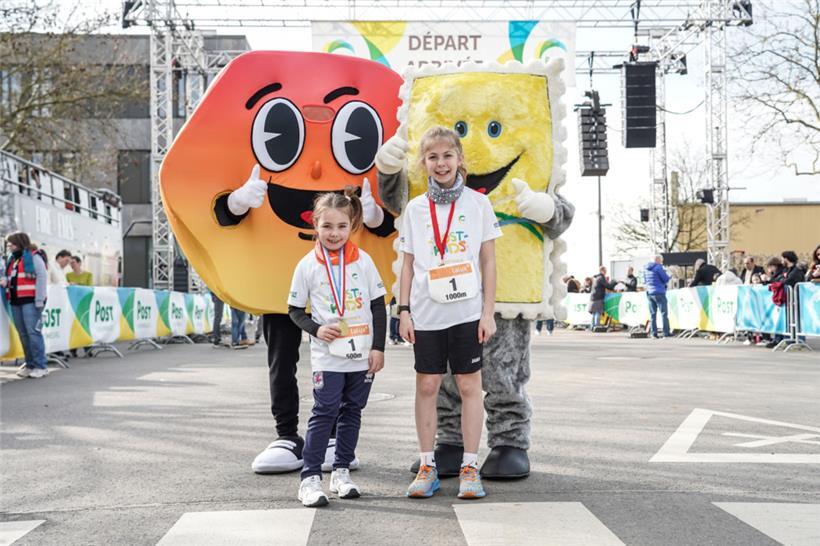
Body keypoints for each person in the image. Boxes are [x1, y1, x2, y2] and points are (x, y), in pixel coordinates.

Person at [398, 126, 501, 499]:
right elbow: (407, 264)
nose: (440, 163)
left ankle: (470, 467)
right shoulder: (415, 208)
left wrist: (488, 312)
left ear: (460, 158)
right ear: (423, 163)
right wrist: (404, 309)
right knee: (426, 385)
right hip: (426, 313)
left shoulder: (478, 204)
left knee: (469, 385)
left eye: (447, 155)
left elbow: (488, 261)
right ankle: (428, 465)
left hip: (467, 313)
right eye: (432, 157)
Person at [287, 189, 386, 507]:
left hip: (361, 352)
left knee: (352, 412)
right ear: (316, 225)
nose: (334, 233)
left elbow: (379, 307)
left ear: (352, 225)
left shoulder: (365, 261)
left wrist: (379, 348)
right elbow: (294, 310)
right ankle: (310, 478)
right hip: (327, 355)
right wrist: (316, 328)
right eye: (327, 226)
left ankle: (341, 471)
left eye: (341, 226)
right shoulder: (307, 265)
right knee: (324, 412)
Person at [3, 232, 49, 378]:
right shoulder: (12, 259)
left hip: (30, 301)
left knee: (33, 333)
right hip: (16, 301)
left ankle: (40, 366)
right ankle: (30, 364)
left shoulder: (34, 256)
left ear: (20, 243)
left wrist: (39, 300)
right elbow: (10, 277)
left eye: (12, 243)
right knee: (23, 334)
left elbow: (42, 277)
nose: (10, 246)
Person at [644, 255, 671, 338]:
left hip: (650, 293)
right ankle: (665, 333)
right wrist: (669, 275)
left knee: (653, 314)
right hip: (659, 292)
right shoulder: (658, 268)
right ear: (658, 260)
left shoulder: (646, 268)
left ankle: (654, 333)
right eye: (661, 261)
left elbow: (645, 281)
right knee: (664, 313)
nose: (661, 262)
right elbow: (665, 279)